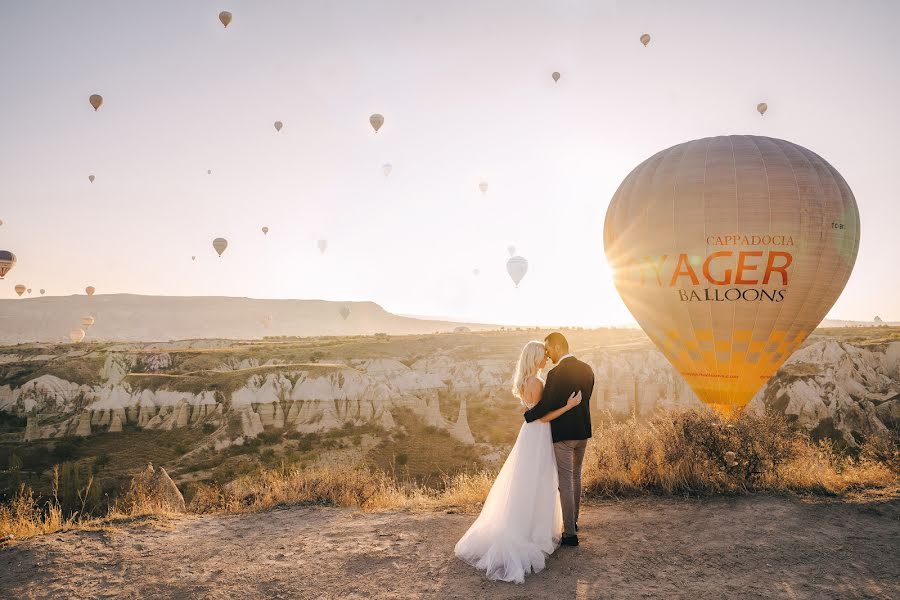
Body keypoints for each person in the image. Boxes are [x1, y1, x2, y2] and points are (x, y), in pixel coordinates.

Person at [454, 340, 582, 583]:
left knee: (528, 480)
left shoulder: (526, 381)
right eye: (543, 355)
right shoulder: (536, 382)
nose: (546, 359)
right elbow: (544, 418)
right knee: (540, 480)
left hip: (530, 433)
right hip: (539, 434)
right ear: (535, 358)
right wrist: (568, 406)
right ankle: (533, 532)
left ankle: (530, 526)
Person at [523, 332, 594, 546]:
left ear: (556, 347)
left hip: (563, 434)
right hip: (582, 432)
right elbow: (586, 399)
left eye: (548, 349)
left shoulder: (555, 374)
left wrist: (528, 415)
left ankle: (570, 534)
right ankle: (573, 522)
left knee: (566, 480)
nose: (547, 353)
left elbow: (546, 406)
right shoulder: (587, 369)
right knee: (576, 477)